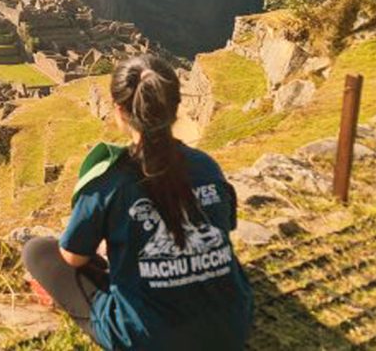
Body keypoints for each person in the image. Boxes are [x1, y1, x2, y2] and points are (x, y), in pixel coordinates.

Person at [23, 54, 253, 350]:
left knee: (38, 251)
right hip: (230, 330)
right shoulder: (207, 167)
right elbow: (222, 228)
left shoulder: (109, 181)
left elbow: (72, 258)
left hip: (149, 339)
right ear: (177, 107)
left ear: (119, 111)